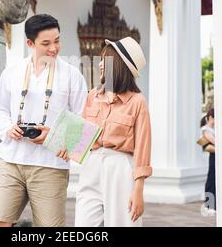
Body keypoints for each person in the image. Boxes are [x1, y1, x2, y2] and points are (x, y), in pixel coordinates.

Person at [0, 14, 88, 227]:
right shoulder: (12, 72)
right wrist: (8, 128)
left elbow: (84, 122)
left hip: (50, 166)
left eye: (57, 40)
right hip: (11, 161)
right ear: (30, 43)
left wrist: (53, 136)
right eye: (46, 43)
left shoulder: (72, 76)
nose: (54, 48)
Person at [58, 37, 152, 227]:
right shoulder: (93, 95)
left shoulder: (137, 101)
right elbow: (78, 139)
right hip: (91, 167)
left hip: (120, 169)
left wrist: (138, 190)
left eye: (105, 59)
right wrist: (61, 143)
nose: (100, 64)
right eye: (100, 59)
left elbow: (143, 148)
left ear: (118, 65)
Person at [201, 108, 216, 212]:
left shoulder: (212, 129)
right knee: (211, 179)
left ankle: (212, 205)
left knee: (214, 179)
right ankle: (209, 205)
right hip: (213, 156)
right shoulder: (205, 130)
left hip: (215, 155)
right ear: (211, 117)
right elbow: (207, 145)